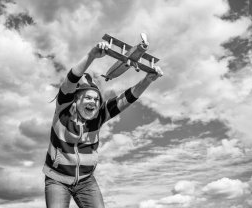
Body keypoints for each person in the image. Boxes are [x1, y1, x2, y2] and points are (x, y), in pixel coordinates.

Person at [43, 41, 163, 208]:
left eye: (96, 99)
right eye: (88, 98)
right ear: (77, 100)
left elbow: (126, 98)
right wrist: (92, 55)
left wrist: (148, 80)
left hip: (86, 182)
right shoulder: (63, 110)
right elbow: (70, 80)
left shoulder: (98, 116)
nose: (93, 101)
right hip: (57, 179)